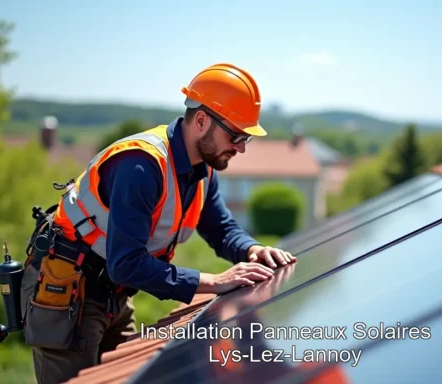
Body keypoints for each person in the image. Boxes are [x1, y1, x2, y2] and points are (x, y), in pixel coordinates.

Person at [19, 63, 296, 384]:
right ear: (202, 121)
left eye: (246, 137)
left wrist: (252, 250)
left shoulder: (203, 169)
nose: (241, 147)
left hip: (114, 293)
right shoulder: (142, 166)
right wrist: (213, 282)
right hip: (70, 290)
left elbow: (221, 228)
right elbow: (126, 263)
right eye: (235, 135)